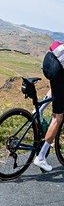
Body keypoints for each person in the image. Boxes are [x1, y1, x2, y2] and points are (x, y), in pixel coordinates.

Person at [33, 41, 64, 171]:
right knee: (58, 117)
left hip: (48, 59)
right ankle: (40, 158)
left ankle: (38, 110)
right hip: (58, 69)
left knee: (57, 86)